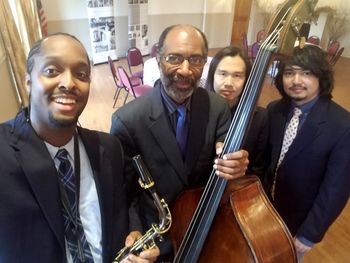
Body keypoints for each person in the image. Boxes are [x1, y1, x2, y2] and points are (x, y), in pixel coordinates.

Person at [0, 33, 159, 263]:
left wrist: (134, 237)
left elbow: (125, 205)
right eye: (52, 71)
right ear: (28, 82)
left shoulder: (109, 148)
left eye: (81, 74)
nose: (69, 83)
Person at [110, 24, 249, 260]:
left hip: (205, 230)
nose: (185, 70)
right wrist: (134, 232)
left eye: (195, 60)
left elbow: (225, 147)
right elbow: (125, 191)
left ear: (205, 63)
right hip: (157, 239)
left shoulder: (217, 107)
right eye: (174, 58)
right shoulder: (127, 120)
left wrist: (235, 162)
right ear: (157, 59)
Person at [263, 44, 350, 261]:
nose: (296, 81)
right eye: (289, 73)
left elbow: (335, 190)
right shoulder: (275, 110)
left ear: (321, 77)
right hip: (263, 213)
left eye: (306, 73)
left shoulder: (342, 125)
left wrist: (309, 235)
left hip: (298, 223)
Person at [205, 46, 268, 178]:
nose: (228, 83)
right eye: (222, 74)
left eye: (237, 76)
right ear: (212, 75)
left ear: (247, 80)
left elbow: (259, 167)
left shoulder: (260, 117)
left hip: (238, 190)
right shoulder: (197, 109)